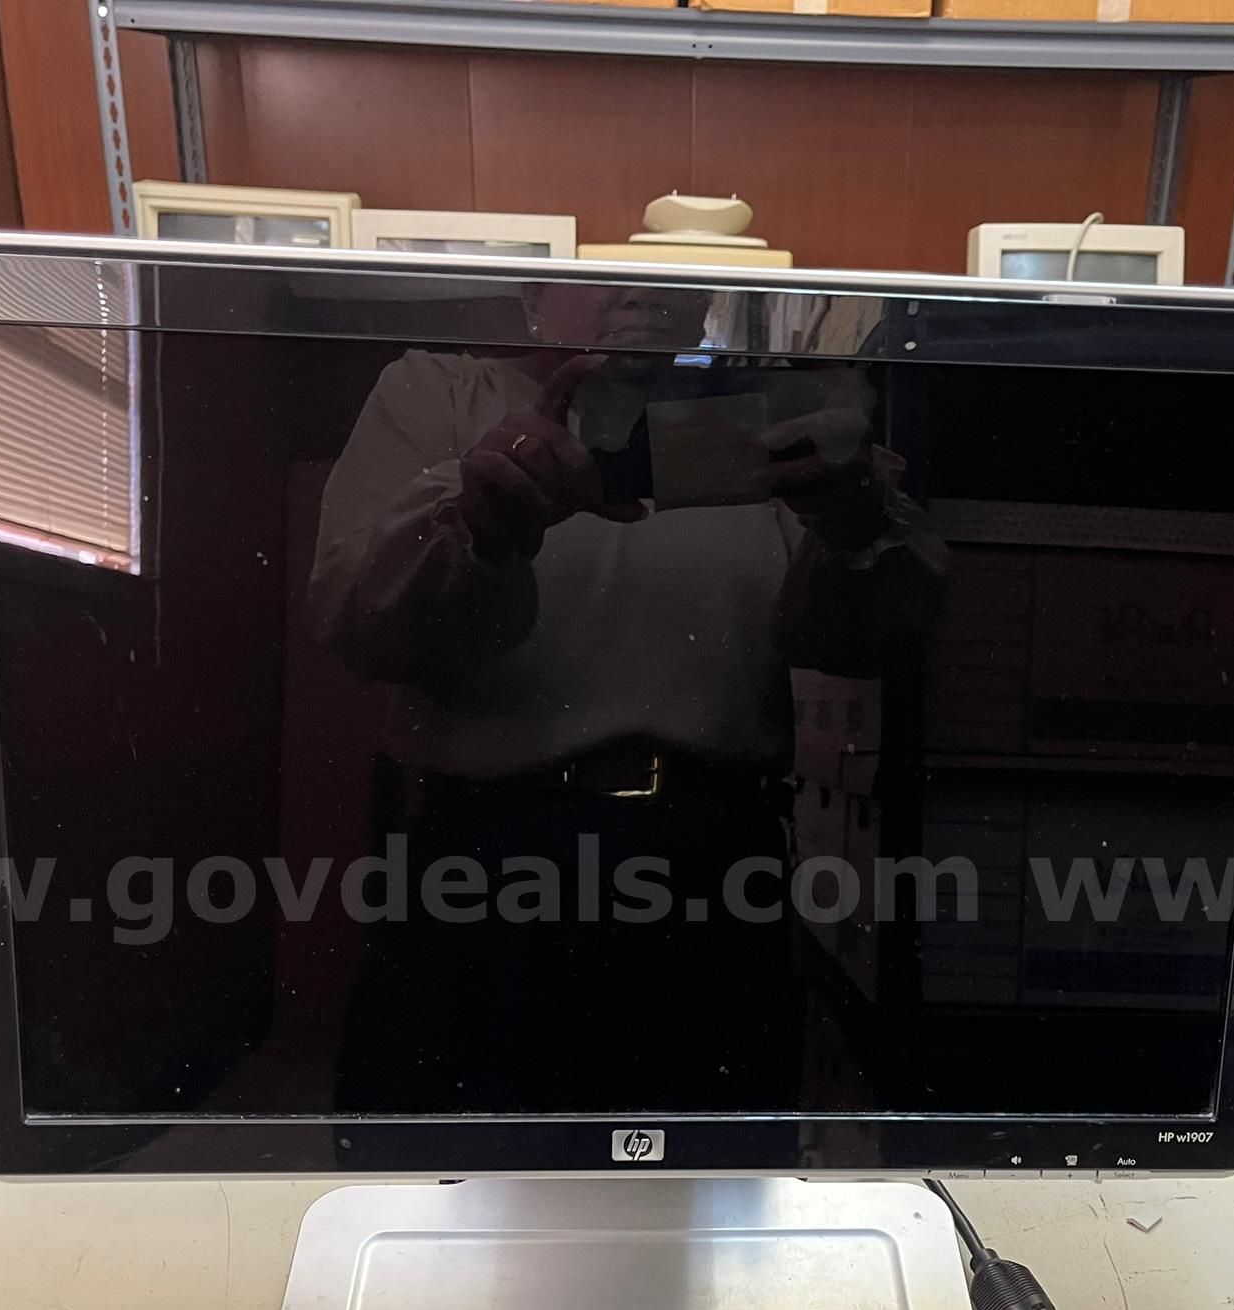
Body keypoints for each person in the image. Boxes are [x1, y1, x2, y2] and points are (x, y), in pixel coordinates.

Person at [308, 282, 944, 1114]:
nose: (642, 287)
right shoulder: (439, 393)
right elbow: (354, 624)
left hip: (715, 859)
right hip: (488, 857)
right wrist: (481, 521)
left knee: (705, 1169)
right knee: (458, 1159)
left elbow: (873, 642)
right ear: (536, 295)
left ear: (704, 302)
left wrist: (854, 523)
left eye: (671, 270)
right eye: (604, 263)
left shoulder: (771, 418)